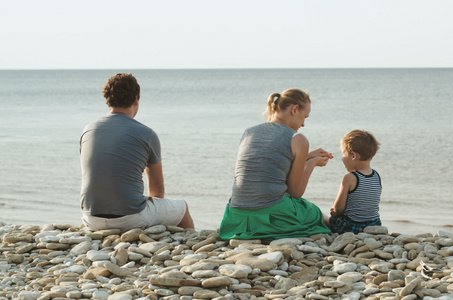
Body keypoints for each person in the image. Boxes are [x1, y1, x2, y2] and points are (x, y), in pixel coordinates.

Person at [80, 73, 194, 232]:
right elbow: (157, 191)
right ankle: (192, 249)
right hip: (129, 218)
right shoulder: (146, 134)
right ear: (135, 99)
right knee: (182, 208)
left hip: (91, 218)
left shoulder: (89, 129)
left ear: (108, 99)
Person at [219, 88, 333, 240]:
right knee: (311, 210)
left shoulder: (249, 132)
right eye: (304, 117)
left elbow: (268, 165)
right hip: (273, 214)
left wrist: (306, 155)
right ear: (294, 109)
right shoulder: (298, 139)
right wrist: (312, 163)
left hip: (237, 216)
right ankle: (337, 224)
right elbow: (295, 192)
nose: (303, 124)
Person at [329, 130, 382, 234]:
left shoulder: (349, 178)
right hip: (374, 225)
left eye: (343, 154)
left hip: (353, 227)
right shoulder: (376, 175)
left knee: (322, 217)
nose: (342, 158)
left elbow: (339, 209)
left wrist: (334, 210)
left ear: (353, 155)